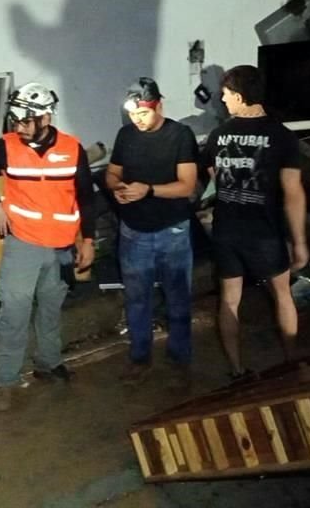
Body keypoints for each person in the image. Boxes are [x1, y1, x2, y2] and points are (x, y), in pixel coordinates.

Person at [0, 82, 95, 412]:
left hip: (62, 247)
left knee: (51, 311)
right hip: (23, 245)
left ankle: (48, 364)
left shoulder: (72, 148)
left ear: (46, 118)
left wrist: (89, 240)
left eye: (25, 121)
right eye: (16, 121)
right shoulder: (7, 147)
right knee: (14, 314)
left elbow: (86, 196)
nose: (18, 127)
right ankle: (6, 380)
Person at [202, 66, 309, 379]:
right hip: (263, 231)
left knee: (230, 301)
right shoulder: (281, 136)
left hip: (226, 230)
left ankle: (237, 370)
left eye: (225, 95)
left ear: (238, 95)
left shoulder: (218, 136)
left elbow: (214, 178)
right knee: (282, 294)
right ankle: (291, 360)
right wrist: (299, 241)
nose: (223, 101)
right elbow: (293, 192)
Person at [105, 78, 198, 388]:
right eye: (133, 115)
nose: (137, 120)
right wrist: (117, 188)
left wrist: (148, 190)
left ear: (159, 104)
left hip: (172, 229)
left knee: (178, 298)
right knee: (136, 299)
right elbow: (113, 172)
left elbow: (186, 185)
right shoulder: (126, 135)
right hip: (133, 231)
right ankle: (140, 357)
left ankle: (180, 358)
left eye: (143, 113)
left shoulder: (180, 135)